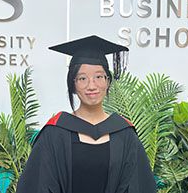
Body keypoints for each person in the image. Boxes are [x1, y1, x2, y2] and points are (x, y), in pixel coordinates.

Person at [16, 35, 157, 193]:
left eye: (99, 77)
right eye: (82, 78)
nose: (92, 85)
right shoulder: (55, 133)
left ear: (108, 81)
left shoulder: (125, 134)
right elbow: (37, 185)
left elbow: (139, 186)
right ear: (73, 84)